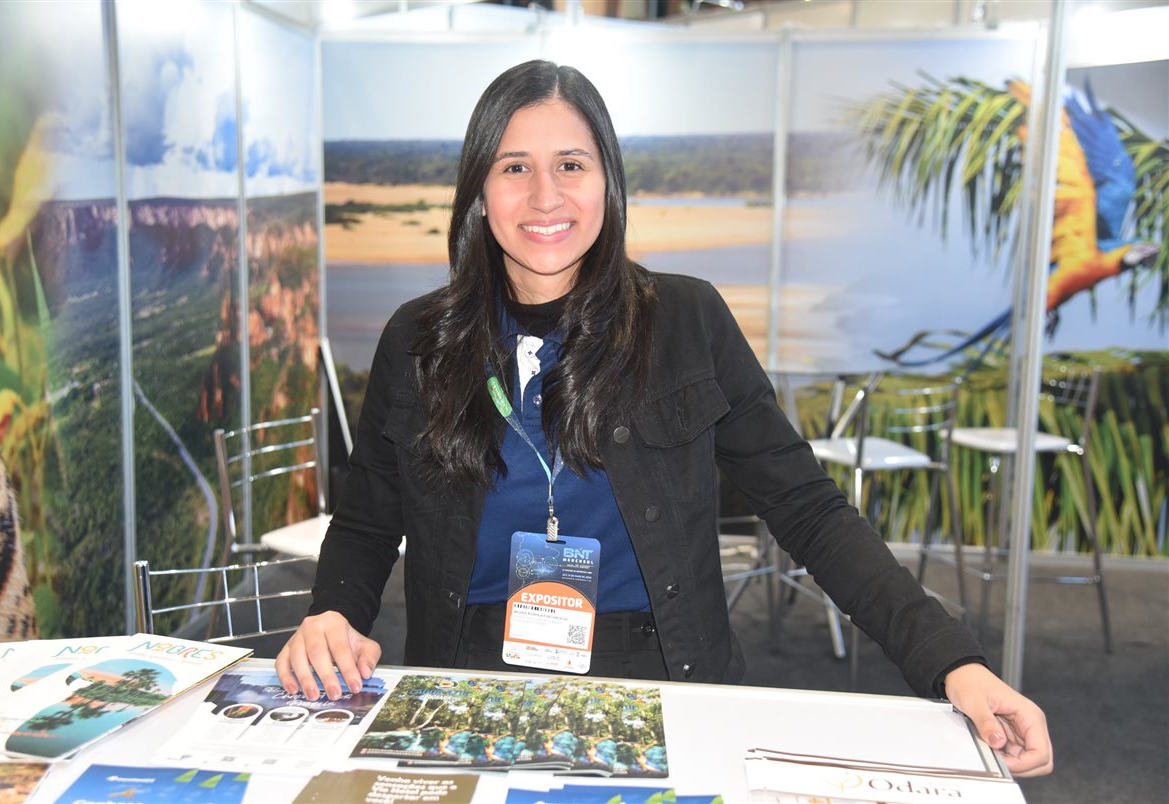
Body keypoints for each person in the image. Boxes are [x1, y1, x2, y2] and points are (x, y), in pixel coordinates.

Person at [276, 59, 1052, 777]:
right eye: (515, 168)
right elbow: (371, 516)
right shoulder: (419, 339)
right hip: (469, 670)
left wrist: (951, 661)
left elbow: (807, 508)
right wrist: (332, 614)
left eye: (571, 166)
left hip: (662, 676)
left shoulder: (687, 320)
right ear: (480, 191)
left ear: (608, 183)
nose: (546, 196)